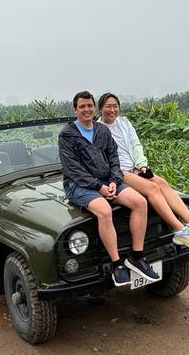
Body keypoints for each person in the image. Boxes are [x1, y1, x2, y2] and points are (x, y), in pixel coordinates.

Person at [59, 91, 160, 287]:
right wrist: (99, 186)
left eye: (89, 106)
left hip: (107, 181)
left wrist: (113, 181)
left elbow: (114, 159)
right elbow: (73, 169)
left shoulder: (102, 130)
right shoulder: (67, 135)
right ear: (75, 110)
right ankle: (117, 265)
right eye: (82, 107)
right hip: (79, 185)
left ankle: (137, 257)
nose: (86, 110)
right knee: (105, 211)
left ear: (94, 108)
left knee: (140, 202)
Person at [97, 92, 189, 248]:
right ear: (100, 109)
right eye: (108, 107)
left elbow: (135, 144)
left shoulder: (124, 123)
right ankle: (180, 231)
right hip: (119, 171)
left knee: (161, 182)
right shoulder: (98, 129)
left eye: (115, 106)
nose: (112, 110)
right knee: (152, 188)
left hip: (134, 167)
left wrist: (141, 165)